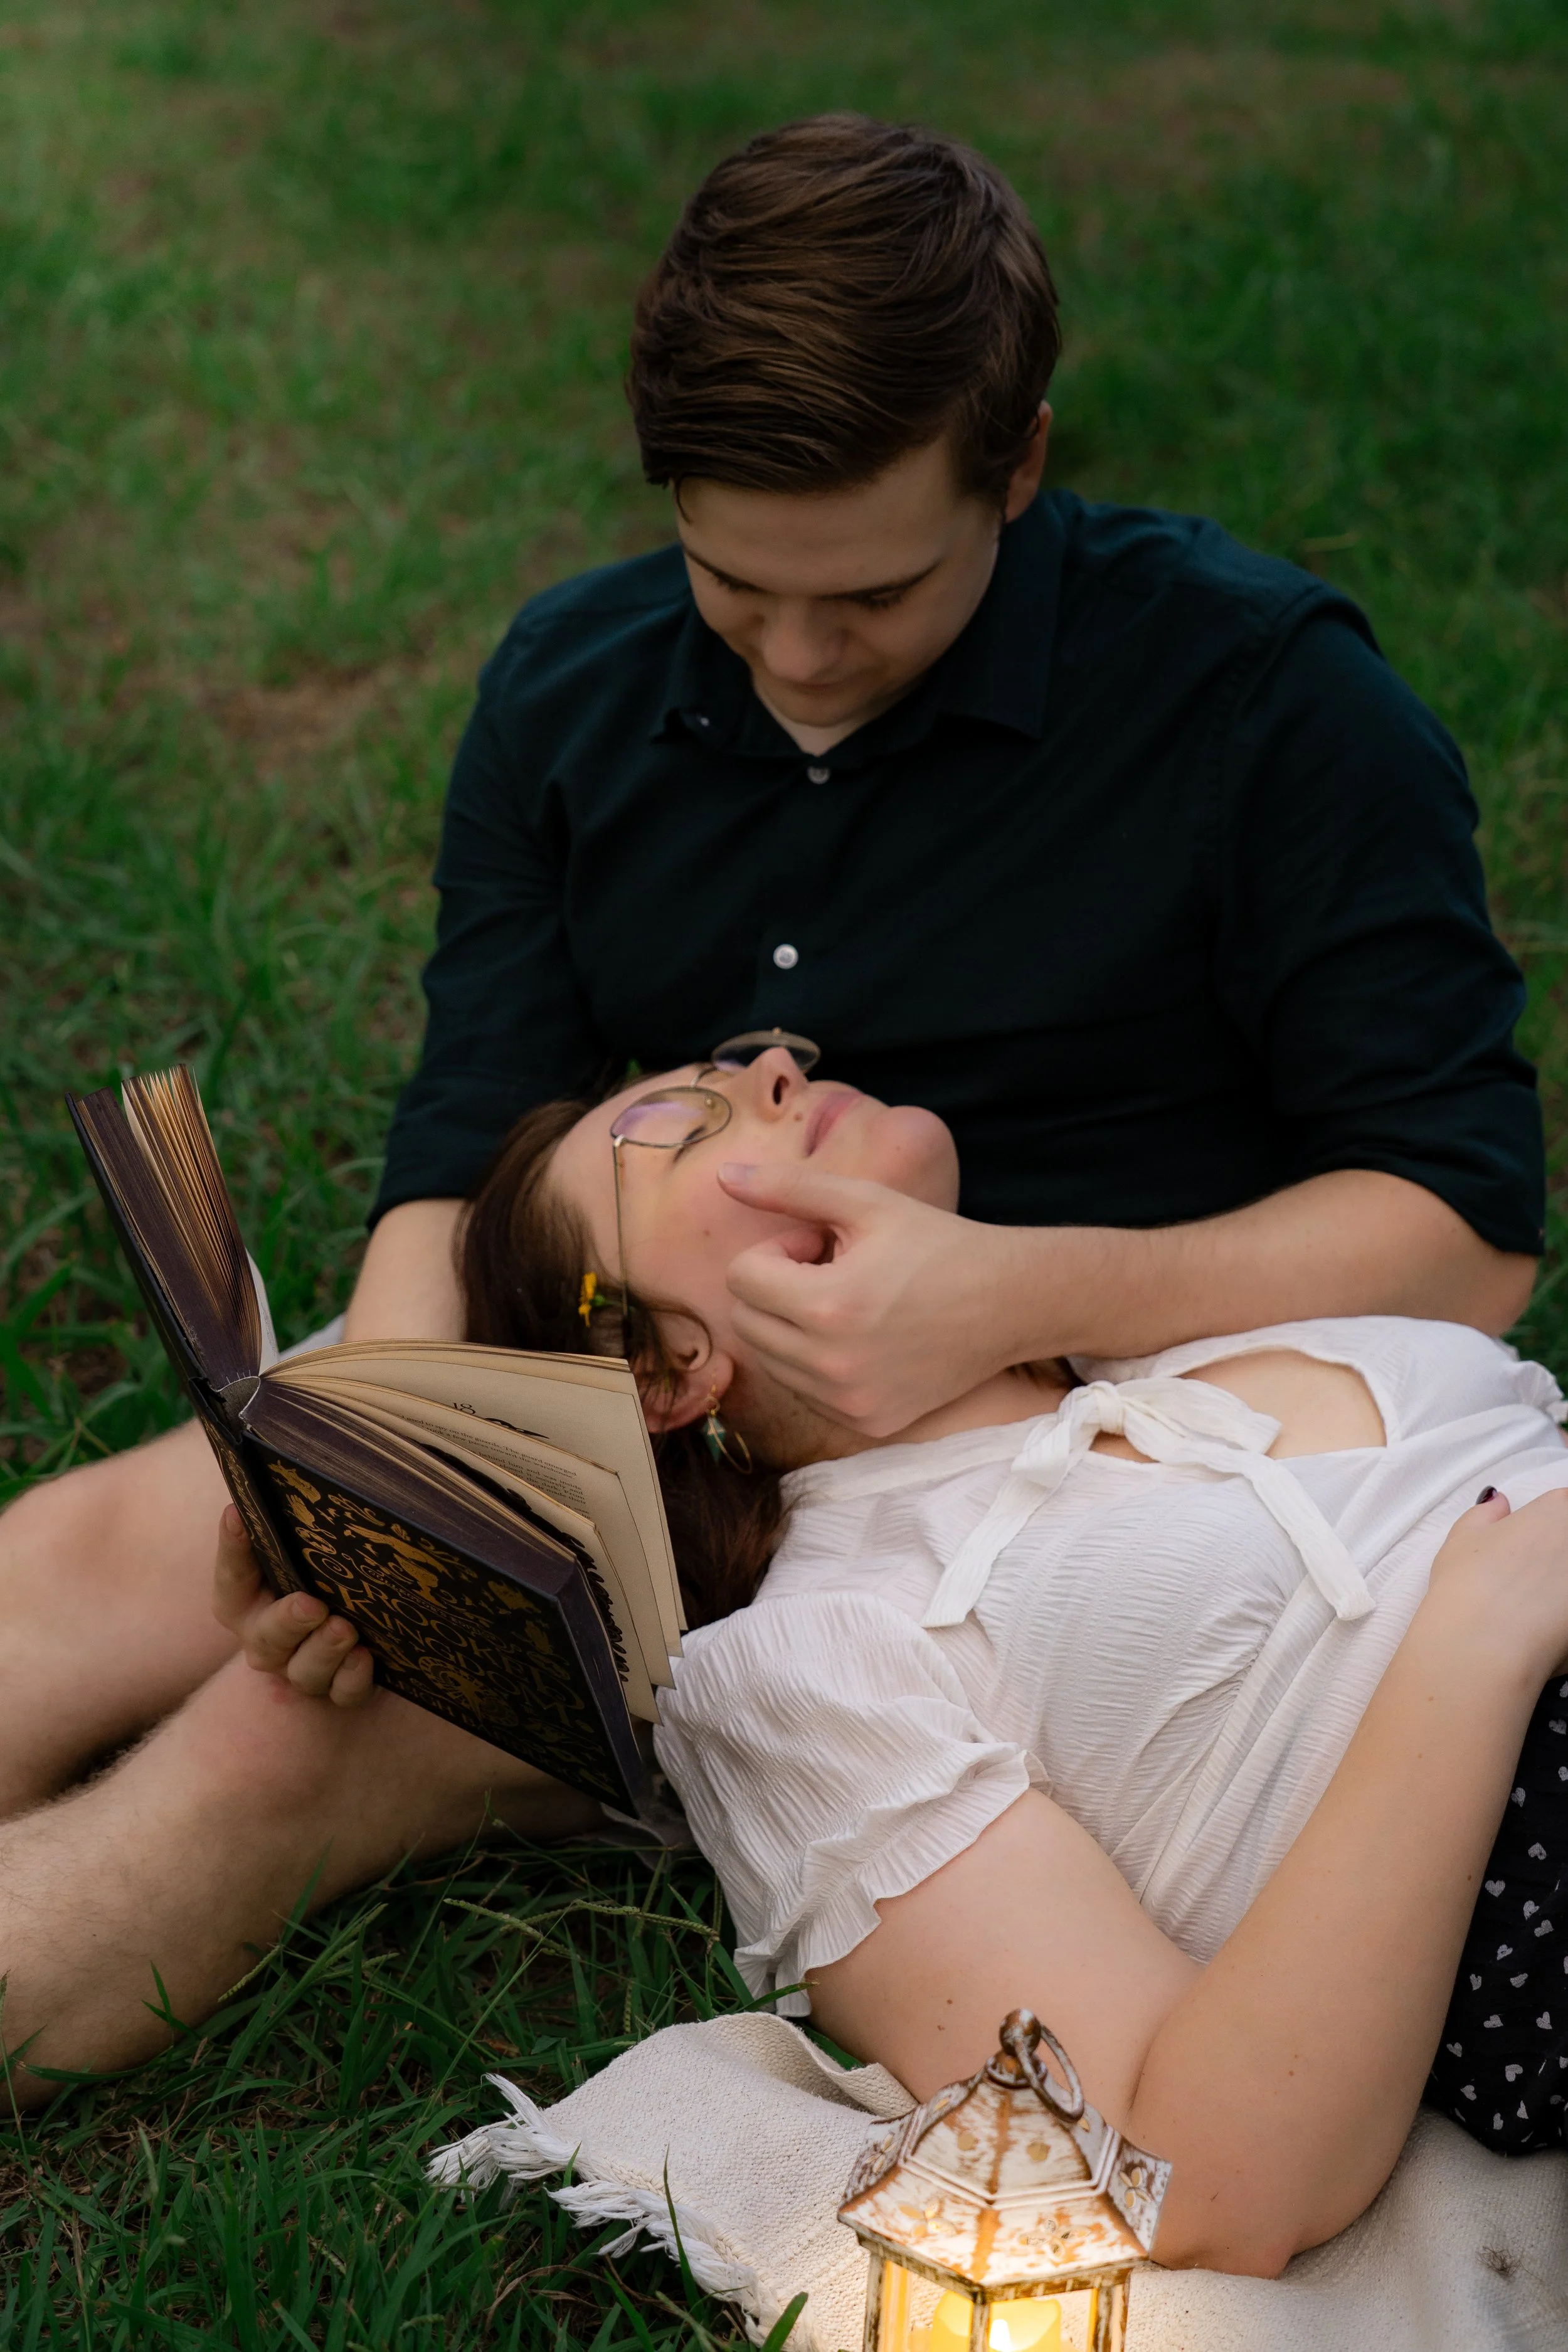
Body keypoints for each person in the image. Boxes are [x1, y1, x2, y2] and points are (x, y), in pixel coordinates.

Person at [0, 114, 1548, 2085]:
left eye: (877, 596)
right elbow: (472, 1101)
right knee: (67, 1561)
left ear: (1023, 462)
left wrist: (1002, 1292)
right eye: (736, 588)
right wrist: (375, 1473)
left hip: (1023, 1493)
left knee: (268, 1741)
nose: (804, 660)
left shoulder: (1267, 705)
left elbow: (1465, 1232)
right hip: (637, 1378)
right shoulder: (570, 686)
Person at [453, 1042, 1568, 2275]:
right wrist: (1477, 1638)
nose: (770, 1059)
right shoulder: (810, 1654)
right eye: (675, 1125)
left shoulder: (1153, 1345)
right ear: (665, 1370)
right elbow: (1190, 2185)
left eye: (736, 1062)